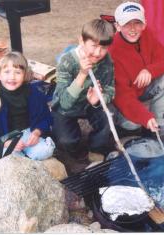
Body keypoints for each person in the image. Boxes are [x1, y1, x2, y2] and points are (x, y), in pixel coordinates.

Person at [108, 1, 164, 136]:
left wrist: (149, 70)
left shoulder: (146, 33)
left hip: (142, 88)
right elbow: (122, 96)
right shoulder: (113, 51)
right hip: (122, 99)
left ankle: (156, 127)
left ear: (144, 23)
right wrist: (145, 117)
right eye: (127, 24)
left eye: (137, 23)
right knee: (132, 125)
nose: (133, 29)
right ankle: (121, 126)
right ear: (117, 26)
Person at [51, 19, 115, 164]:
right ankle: (76, 150)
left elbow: (110, 89)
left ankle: (96, 148)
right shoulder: (66, 61)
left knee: (109, 115)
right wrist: (82, 74)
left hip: (89, 104)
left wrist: (99, 99)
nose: (98, 53)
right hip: (65, 107)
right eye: (94, 46)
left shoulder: (107, 61)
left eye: (104, 48)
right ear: (81, 40)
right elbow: (65, 103)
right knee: (66, 141)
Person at [0, 51, 55, 164]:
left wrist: (36, 132)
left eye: (17, 72)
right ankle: (23, 160)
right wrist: (6, 142)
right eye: (7, 72)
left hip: (27, 134)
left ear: (24, 75)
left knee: (47, 150)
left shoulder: (33, 92)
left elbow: (46, 118)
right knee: (11, 159)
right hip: (4, 138)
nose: (12, 77)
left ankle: (25, 158)